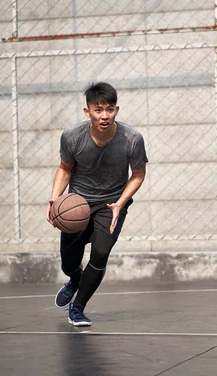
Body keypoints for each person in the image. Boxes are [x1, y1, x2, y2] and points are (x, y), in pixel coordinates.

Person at [46, 82, 148, 326]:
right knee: (69, 262)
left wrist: (120, 203)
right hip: (77, 203)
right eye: (98, 110)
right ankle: (74, 279)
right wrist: (54, 198)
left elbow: (138, 175)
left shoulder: (132, 138)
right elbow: (65, 168)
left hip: (111, 203)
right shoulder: (72, 136)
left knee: (100, 253)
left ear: (117, 110)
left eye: (110, 110)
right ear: (87, 111)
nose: (104, 116)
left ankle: (78, 307)